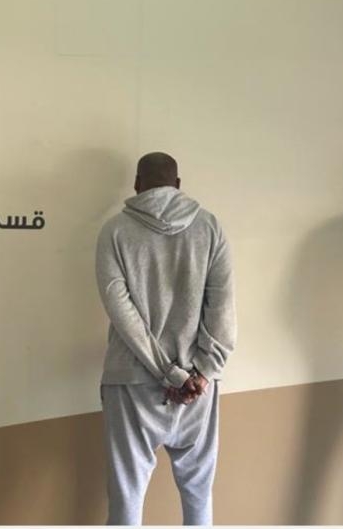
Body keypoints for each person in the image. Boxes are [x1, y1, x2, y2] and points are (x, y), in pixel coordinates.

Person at [95, 152, 236, 526]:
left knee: (127, 496)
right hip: (198, 388)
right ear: (177, 185)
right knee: (198, 494)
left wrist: (168, 372)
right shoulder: (210, 228)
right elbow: (223, 310)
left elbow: (121, 312)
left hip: (131, 381)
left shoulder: (114, 232)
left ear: (137, 184)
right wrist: (200, 373)